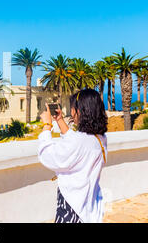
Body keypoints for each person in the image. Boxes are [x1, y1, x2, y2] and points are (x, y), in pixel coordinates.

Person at [38, 88, 108, 223]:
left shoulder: (80, 142)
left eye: (73, 108)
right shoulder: (100, 138)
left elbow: (48, 156)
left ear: (79, 111)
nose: (71, 112)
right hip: (89, 205)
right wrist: (60, 121)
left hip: (72, 206)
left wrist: (47, 126)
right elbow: (76, 143)